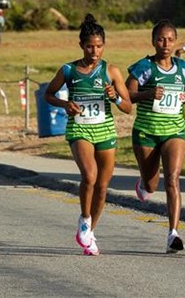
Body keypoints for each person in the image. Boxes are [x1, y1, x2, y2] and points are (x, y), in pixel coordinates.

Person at [44, 14, 132, 256]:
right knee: (90, 176)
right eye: (90, 46)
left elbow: (128, 107)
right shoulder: (69, 70)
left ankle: (90, 232)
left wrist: (115, 97)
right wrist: (65, 104)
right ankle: (84, 219)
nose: (95, 52)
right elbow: (49, 94)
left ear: (104, 45)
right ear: (81, 45)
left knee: (102, 187)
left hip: (105, 129)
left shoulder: (111, 71)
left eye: (99, 46)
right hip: (79, 128)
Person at [125, 19, 185, 253]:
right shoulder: (144, 67)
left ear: (176, 42)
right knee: (152, 185)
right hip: (147, 132)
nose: (166, 44)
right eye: (161, 39)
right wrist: (148, 94)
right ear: (153, 41)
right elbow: (126, 95)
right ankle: (144, 183)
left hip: (174, 131)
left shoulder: (183, 68)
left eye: (170, 40)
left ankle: (173, 234)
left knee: (172, 179)